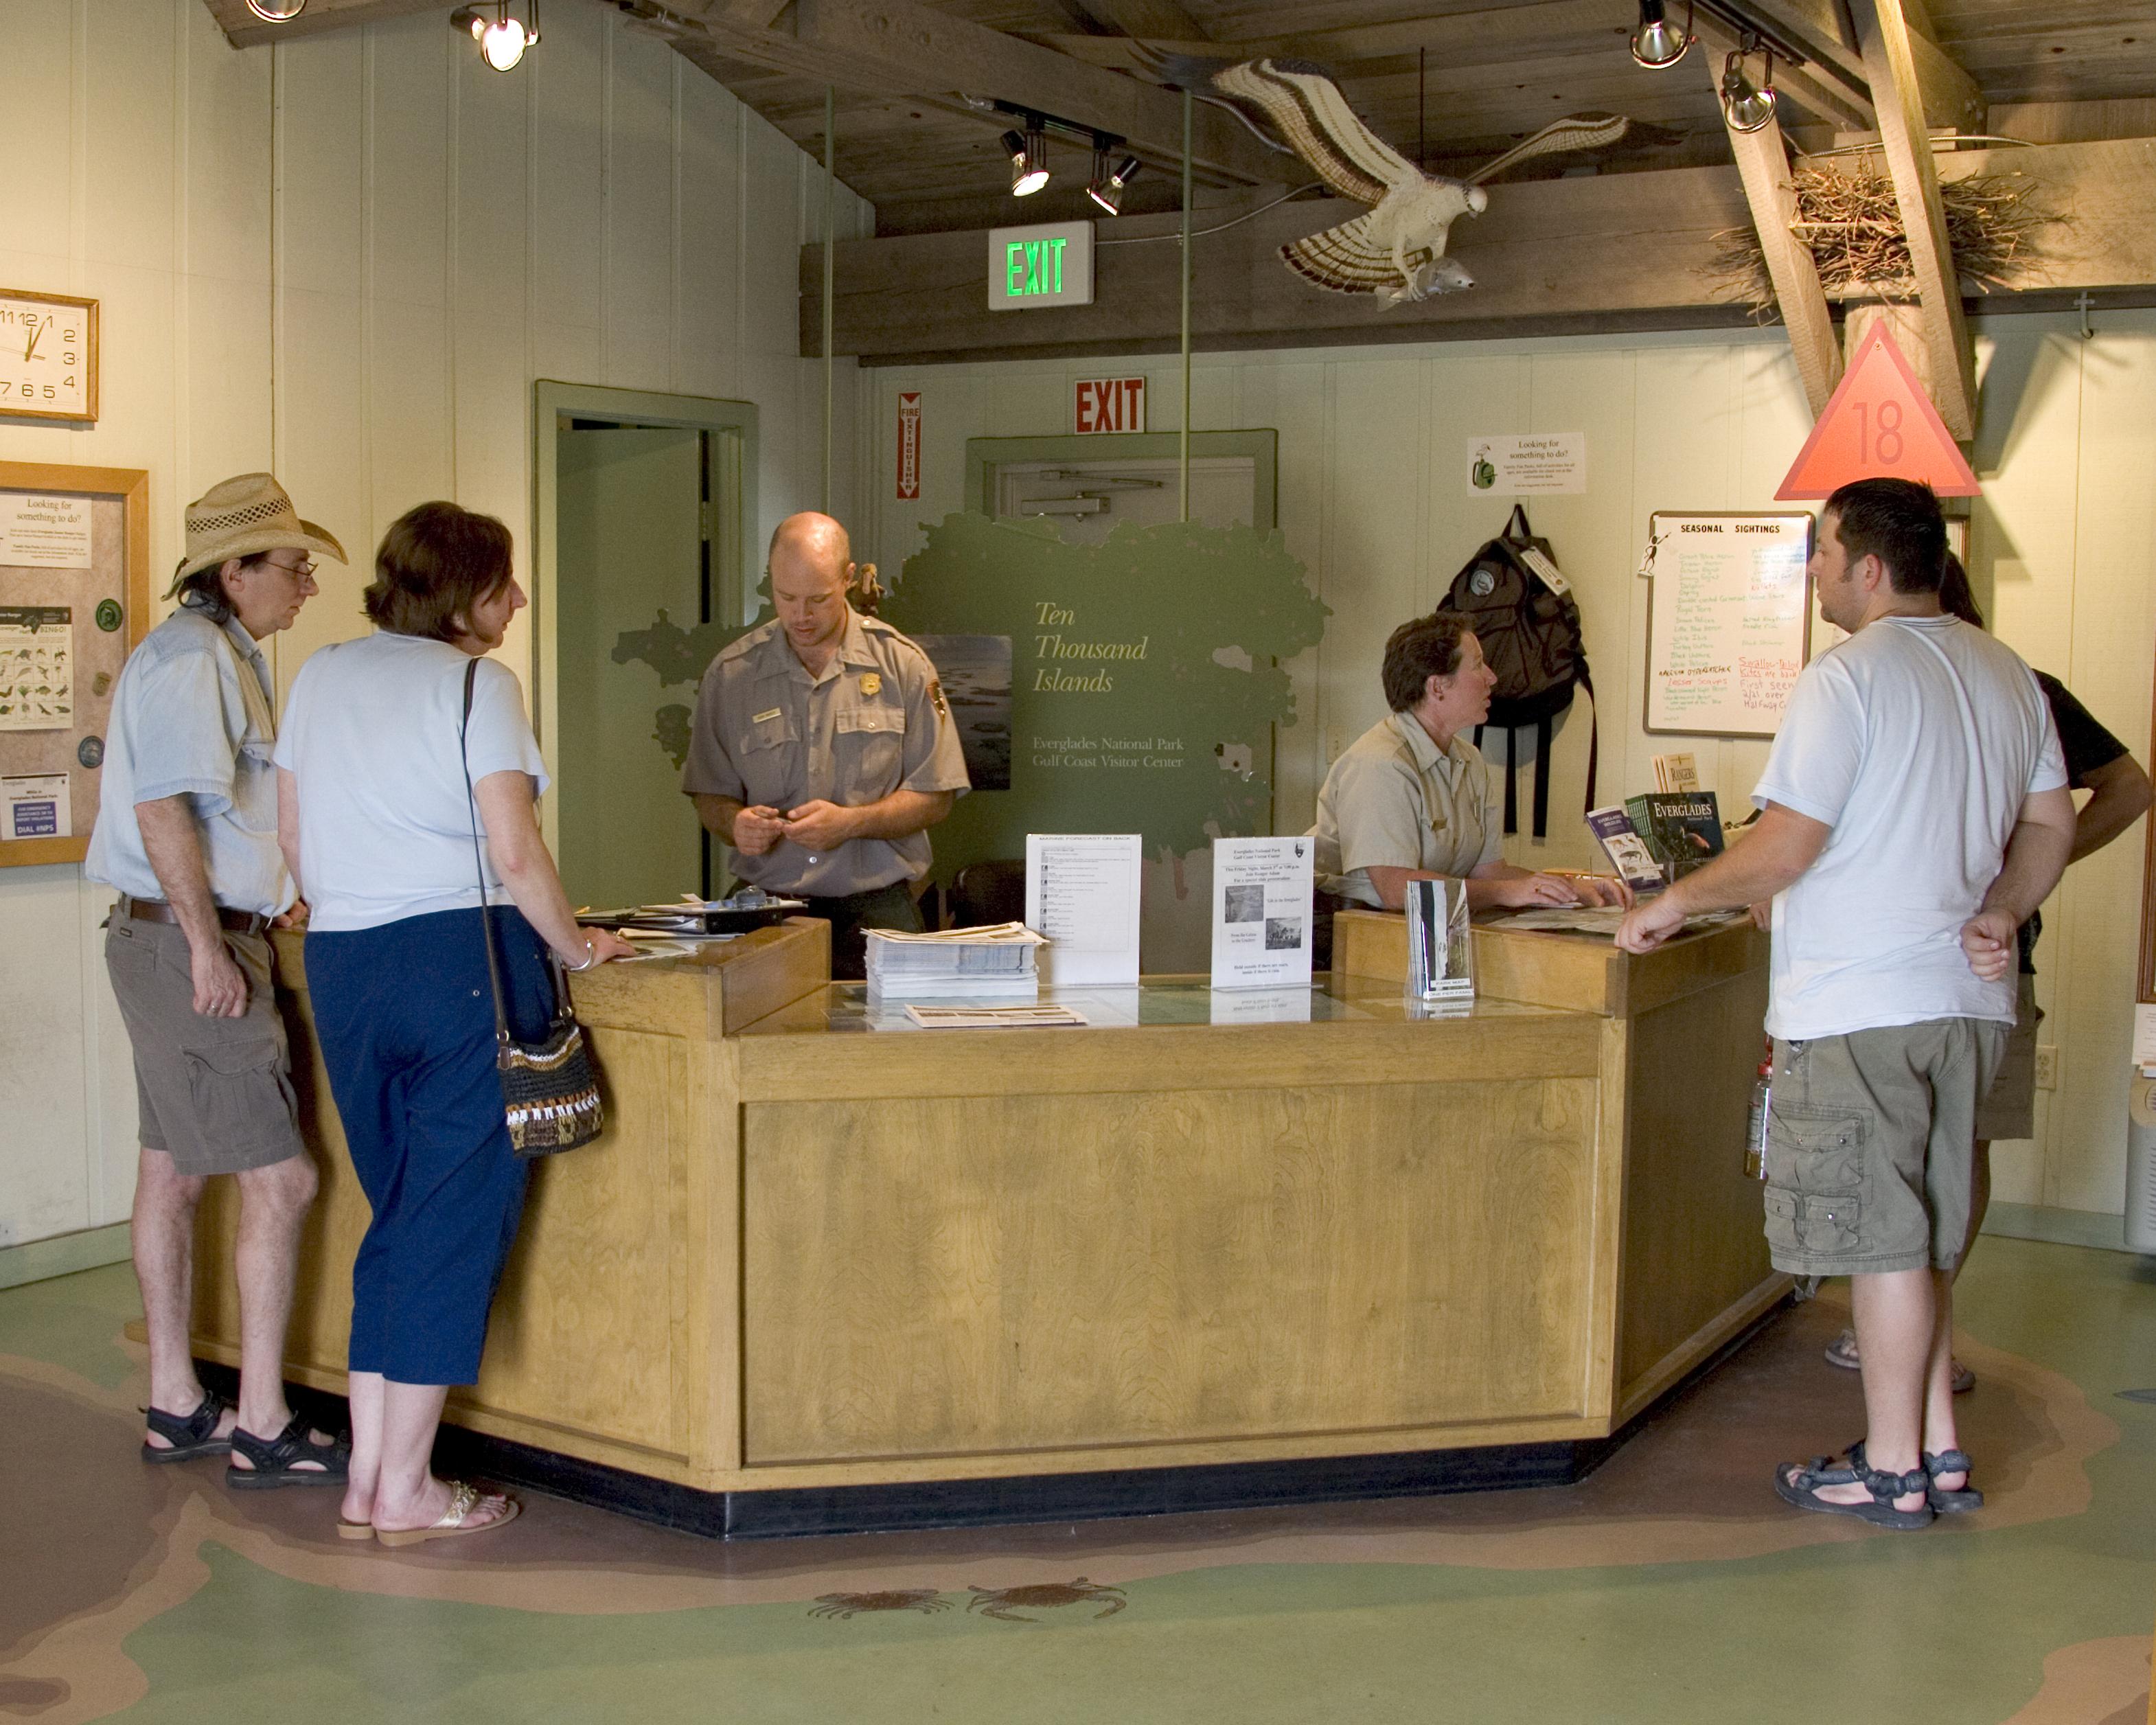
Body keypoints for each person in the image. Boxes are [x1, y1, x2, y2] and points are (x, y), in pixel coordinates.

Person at [1617, 479, 2075, 1529]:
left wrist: (1672, 902)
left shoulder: (1848, 679)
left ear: (1869, 566)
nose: (1812, 571)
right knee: (1926, 1235)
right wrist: (2004, 908)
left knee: (1879, 1243)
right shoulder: (2007, 674)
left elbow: (1788, 844)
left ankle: (1891, 1468)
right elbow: (2051, 825)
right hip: (1968, 1001)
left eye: (1820, 552)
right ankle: (1940, 1451)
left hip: (1861, 1002)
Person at [275, 501, 634, 1545]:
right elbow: (515, 853)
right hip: (459, 970)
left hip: (344, 964)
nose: (517, 601)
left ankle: (369, 1481)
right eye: (505, 585)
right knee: (451, 1225)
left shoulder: (322, 673)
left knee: (395, 1215)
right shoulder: (480, 684)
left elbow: (293, 834)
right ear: (464, 597)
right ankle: (410, 1491)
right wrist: (579, 950)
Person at [1820, 556, 2151, 1387]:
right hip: (1923, 958)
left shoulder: (2011, 686)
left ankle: (1919, 1344)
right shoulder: (1892, 682)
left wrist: (2037, 861)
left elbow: (2126, 786)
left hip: (1979, 958)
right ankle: (1912, 1349)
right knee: (1921, 1148)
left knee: (1945, 1146)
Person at [85, 472, 352, 1491]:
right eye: (293, 565)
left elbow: (213, 815)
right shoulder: (196, 661)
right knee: (282, 1180)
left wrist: (258, 896)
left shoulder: (213, 655)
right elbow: (165, 813)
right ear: (232, 571)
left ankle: (175, 1404)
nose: (308, 584)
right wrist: (208, 942)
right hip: (182, 947)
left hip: (171, 936)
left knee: (172, 1171)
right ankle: (265, 1422)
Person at [681, 512, 970, 979]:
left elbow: (936, 796)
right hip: (767, 910)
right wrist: (735, 823)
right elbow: (709, 795)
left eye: (818, 599)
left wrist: (852, 824)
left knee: (888, 1048)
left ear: (849, 579)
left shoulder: (903, 667)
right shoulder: (732, 674)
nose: (800, 615)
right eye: (786, 597)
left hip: (877, 909)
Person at [1307, 612, 1626, 965]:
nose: (1492, 677)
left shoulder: (1469, 760)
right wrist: (1509, 893)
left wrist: (1572, 890)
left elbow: (1489, 872)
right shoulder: (1381, 763)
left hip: (1428, 931)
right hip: (1351, 939)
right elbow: (1396, 889)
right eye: (1477, 665)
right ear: (1437, 687)